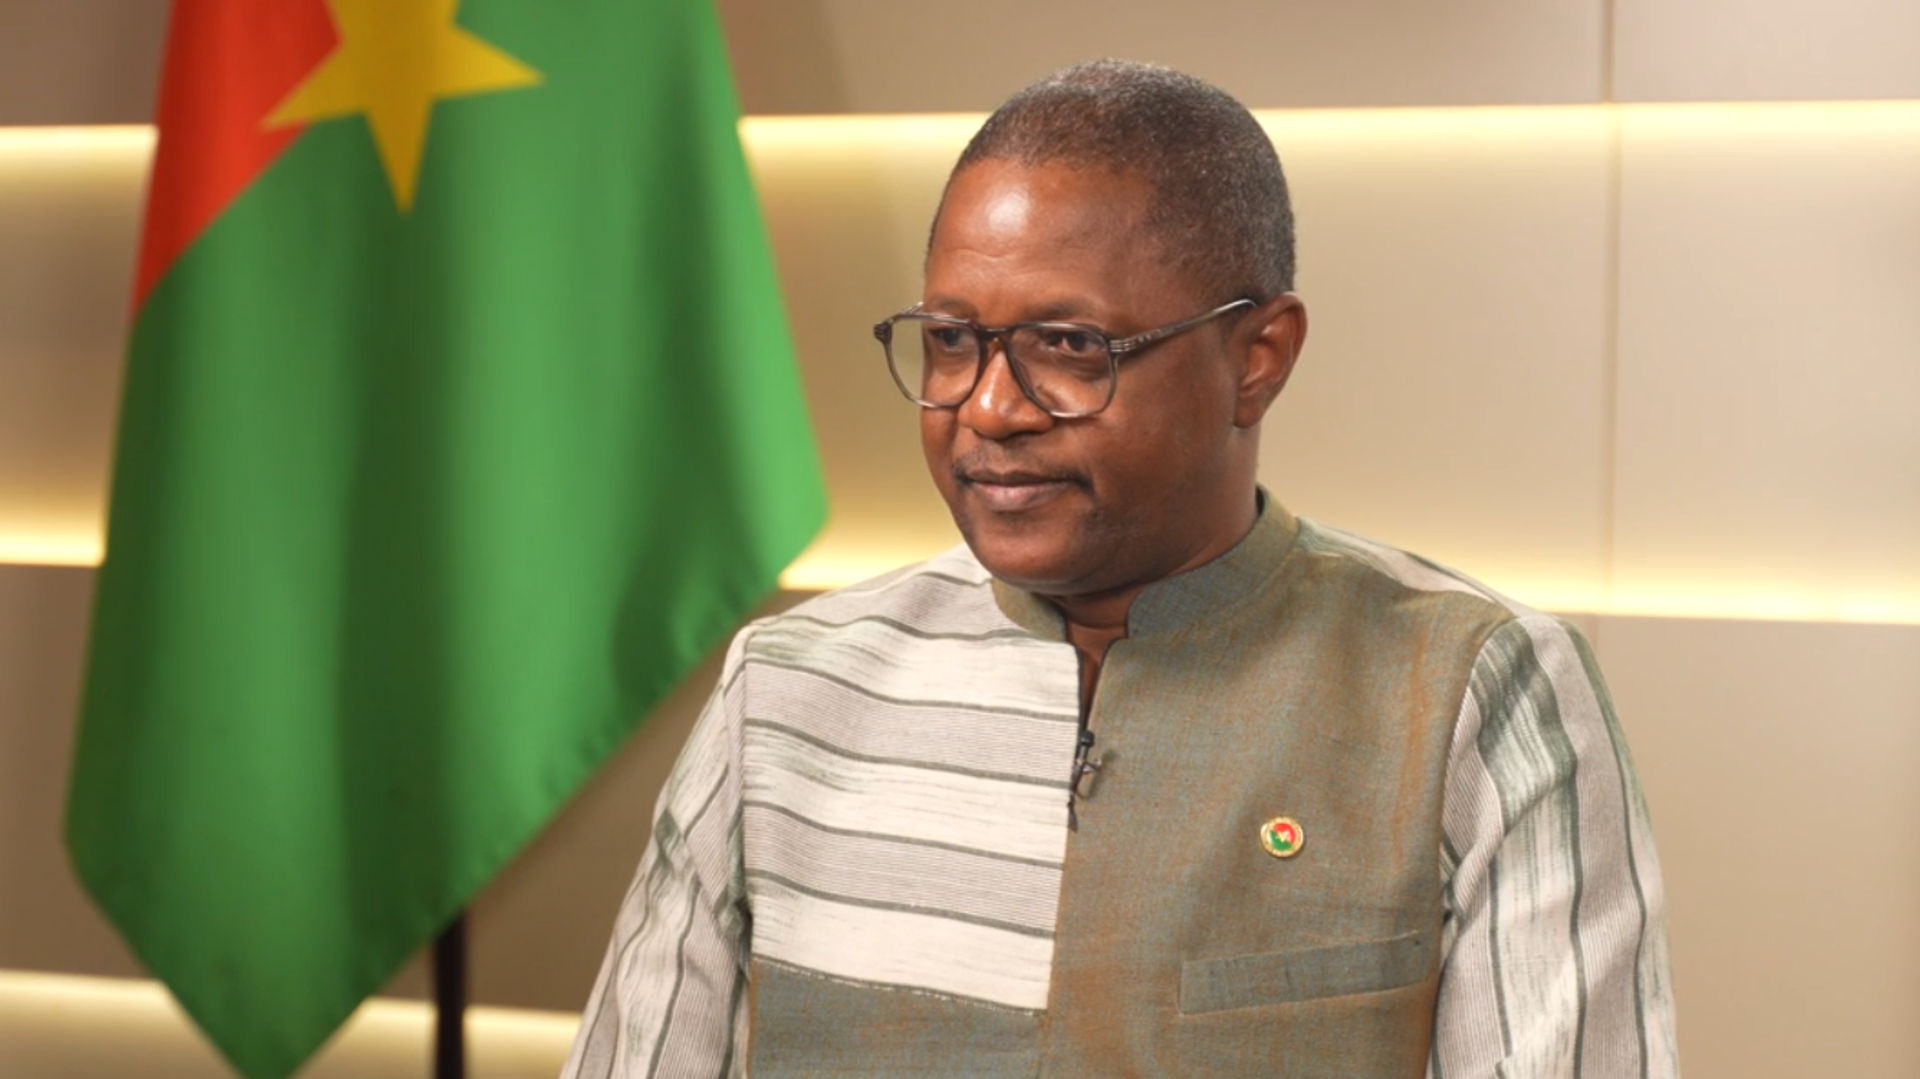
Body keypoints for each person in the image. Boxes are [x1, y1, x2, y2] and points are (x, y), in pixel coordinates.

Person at [561, 60, 1679, 1079]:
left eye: (1069, 346)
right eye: (951, 340)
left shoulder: (1474, 689)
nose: (989, 408)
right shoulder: (786, 689)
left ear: (1258, 359)